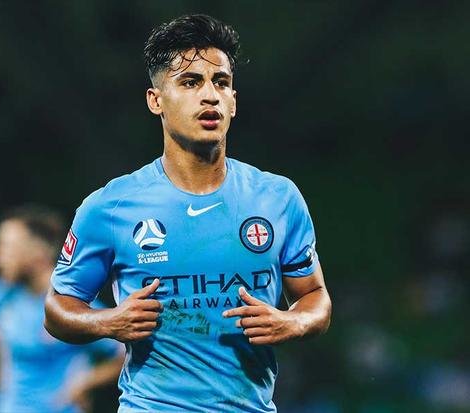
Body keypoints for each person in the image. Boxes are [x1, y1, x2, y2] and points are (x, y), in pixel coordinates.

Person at [44, 14, 332, 413]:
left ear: (233, 101)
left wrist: (293, 322)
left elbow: (315, 298)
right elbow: (58, 309)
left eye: (221, 83)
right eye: (191, 82)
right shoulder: (111, 206)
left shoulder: (277, 198)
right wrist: (108, 322)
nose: (210, 95)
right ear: (156, 100)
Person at [0, 205, 125, 413]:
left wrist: (86, 382)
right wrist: (3, 378)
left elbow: (123, 352)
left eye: (7, 247)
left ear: (38, 251)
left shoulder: (73, 305)